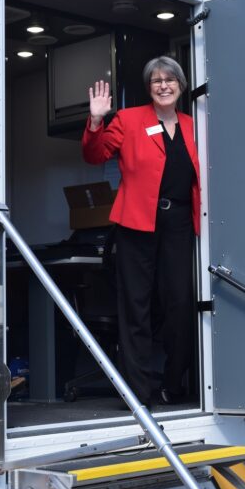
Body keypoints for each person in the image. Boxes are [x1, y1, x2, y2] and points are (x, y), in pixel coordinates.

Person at [82, 56, 200, 406]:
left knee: (180, 304)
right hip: (136, 223)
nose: (163, 85)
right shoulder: (129, 119)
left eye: (170, 79)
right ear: (149, 88)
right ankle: (137, 392)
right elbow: (95, 154)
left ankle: (174, 383)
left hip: (179, 224)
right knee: (136, 307)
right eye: (156, 81)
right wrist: (96, 120)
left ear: (181, 85)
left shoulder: (195, 125)